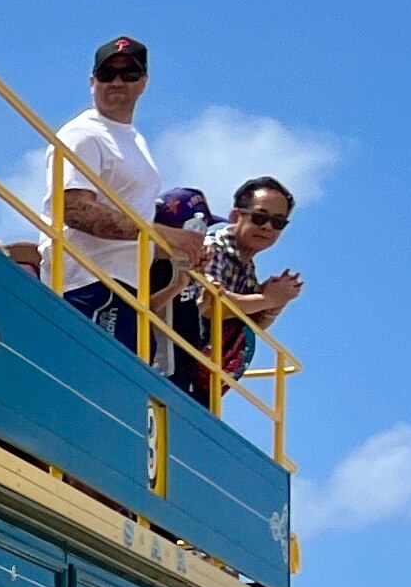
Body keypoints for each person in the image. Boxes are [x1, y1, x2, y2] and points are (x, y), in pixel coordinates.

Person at [55, 35, 205, 353]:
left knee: (118, 400)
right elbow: (75, 209)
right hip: (89, 284)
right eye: (107, 74)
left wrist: (182, 251)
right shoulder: (84, 134)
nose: (117, 82)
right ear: (92, 81)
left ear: (143, 83)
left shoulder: (134, 141)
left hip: (124, 291)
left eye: (129, 74)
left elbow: (131, 230)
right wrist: (165, 236)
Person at [198, 174, 306, 390]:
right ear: (236, 217)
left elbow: (249, 325)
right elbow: (209, 305)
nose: (267, 227)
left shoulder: (246, 268)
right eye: (259, 217)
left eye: (277, 222)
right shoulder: (213, 245)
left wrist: (275, 305)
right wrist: (266, 298)